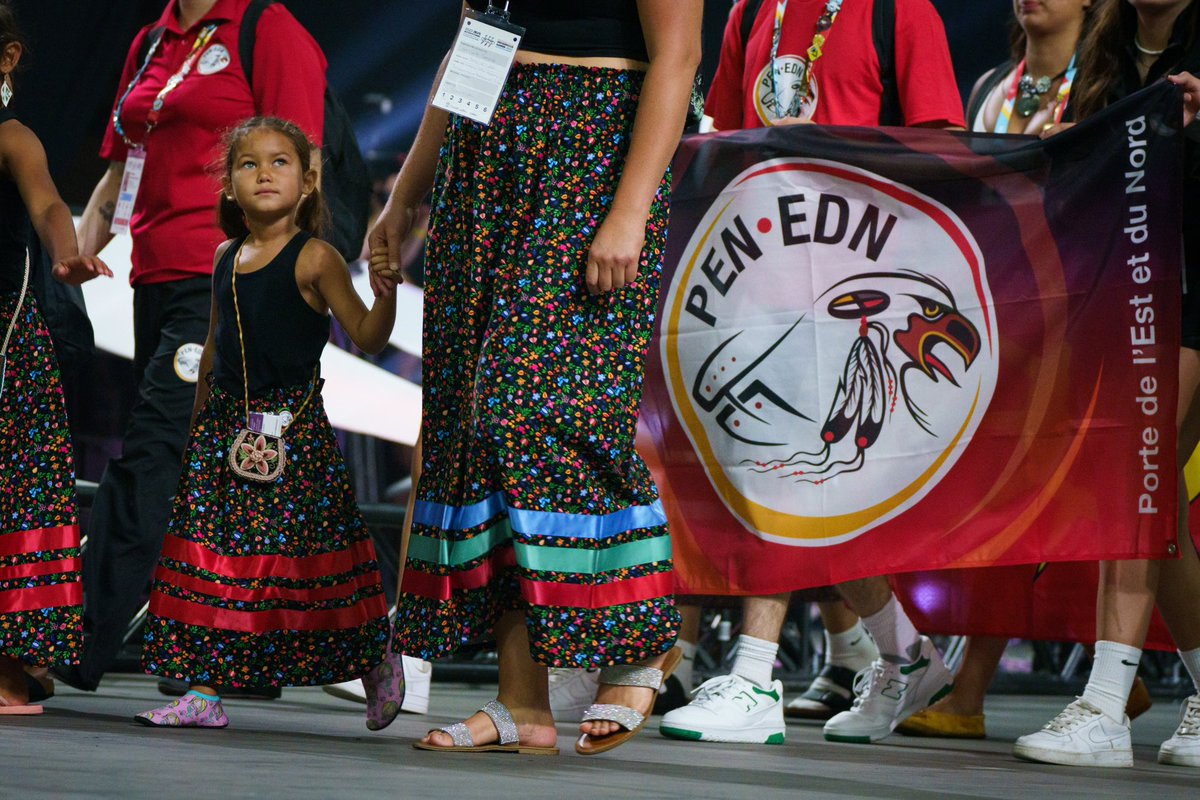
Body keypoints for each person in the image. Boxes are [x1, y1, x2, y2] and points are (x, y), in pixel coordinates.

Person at [370, 0, 701, 755]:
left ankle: (644, 635)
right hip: (484, 152)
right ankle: (523, 702)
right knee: (472, 424)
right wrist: (407, 192)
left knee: (541, 408)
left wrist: (630, 207)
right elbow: (473, 41)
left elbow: (677, 58)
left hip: (592, 148)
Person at [658, 0, 966, 746]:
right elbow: (729, 143)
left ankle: (758, 673)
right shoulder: (753, 12)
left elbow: (948, 158)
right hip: (764, 286)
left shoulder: (901, 11)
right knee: (817, 481)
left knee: (792, 475)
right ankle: (904, 656)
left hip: (861, 294)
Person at [62, 0, 328, 694]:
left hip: (226, 284)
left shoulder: (269, 28)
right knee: (204, 471)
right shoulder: (153, 38)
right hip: (151, 278)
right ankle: (234, 651)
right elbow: (123, 169)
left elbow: (304, 169)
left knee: (154, 454)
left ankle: (69, 646)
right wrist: (71, 257)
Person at [133, 116, 400, 728]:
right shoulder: (226, 255)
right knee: (213, 559)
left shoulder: (317, 258)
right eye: (248, 164)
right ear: (228, 185)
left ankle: (374, 655)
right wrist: (198, 431)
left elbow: (366, 336)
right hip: (224, 437)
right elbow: (213, 346)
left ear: (307, 183)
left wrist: (385, 292)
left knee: (314, 560)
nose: (264, 174)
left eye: (280, 162)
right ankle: (204, 690)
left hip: (295, 437)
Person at [897, 0, 1095, 740]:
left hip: (1081, 320)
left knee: (1066, 502)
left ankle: (976, 688)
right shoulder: (989, 89)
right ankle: (1114, 669)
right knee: (1008, 505)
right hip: (999, 326)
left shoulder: (1105, 85)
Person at [1014, 0, 1200, 768]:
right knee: (1161, 511)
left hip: (1194, 294)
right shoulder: (1108, 48)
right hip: (1142, 298)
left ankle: (1103, 706)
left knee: (1135, 481)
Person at [0, 1, 111, 714]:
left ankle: (14, 665)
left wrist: (68, 254)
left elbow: (46, 206)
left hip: (5, 343)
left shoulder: (12, 136)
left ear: (5, 60)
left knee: (16, 496)